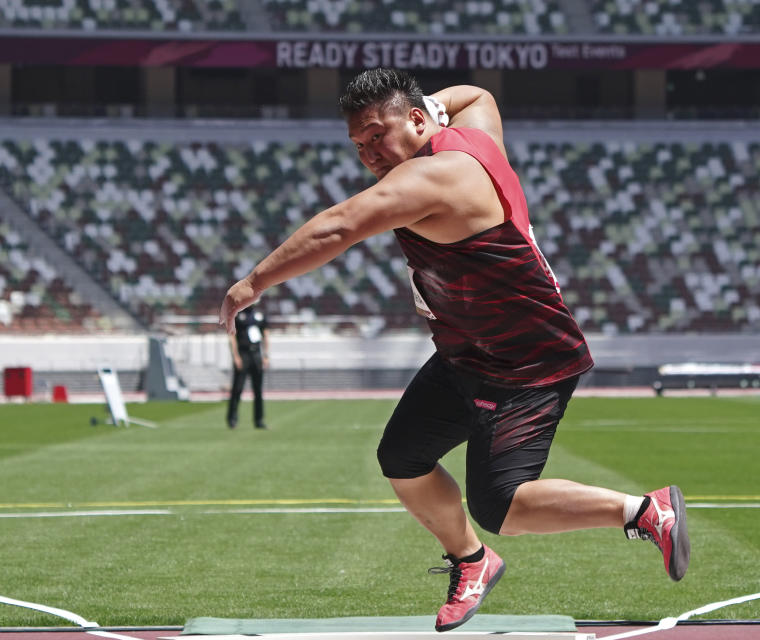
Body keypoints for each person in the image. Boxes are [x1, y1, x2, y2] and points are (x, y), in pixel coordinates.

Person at [219, 68, 689, 632]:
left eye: (377, 134)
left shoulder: (434, 178)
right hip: (469, 351)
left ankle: (644, 510)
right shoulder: (473, 134)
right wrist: (430, 105)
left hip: (526, 363)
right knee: (402, 457)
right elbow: (479, 95)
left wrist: (250, 286)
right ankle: (472, 563)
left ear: (415, 121)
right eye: (358, 144)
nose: (369, 152)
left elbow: (336, 228)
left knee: (500, 506)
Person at [226, 303, 269, 429]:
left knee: (258, 390)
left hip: (256, 354)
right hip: (243, 354)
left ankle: (259, 420)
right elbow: (232, 336)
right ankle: (232, 418)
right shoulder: (238, 315)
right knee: (237, 388)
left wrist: (265, 355)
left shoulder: (259, 316)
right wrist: (235, 356)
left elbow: (266, 335)